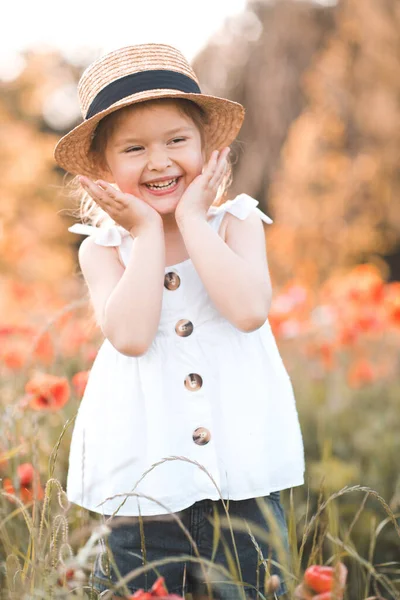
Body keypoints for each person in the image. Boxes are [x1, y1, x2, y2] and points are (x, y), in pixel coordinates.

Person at [54, 43, 305, 599]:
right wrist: (145, 234)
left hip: (242, 483)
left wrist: (192, 218)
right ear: (103, 167)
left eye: (176, 141)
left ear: (208, 148)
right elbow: (131, 336)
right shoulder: (105, 249)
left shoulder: (236, 224)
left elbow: (247, 311)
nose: (160, 161)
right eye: (134, 148)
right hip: (146, 492)